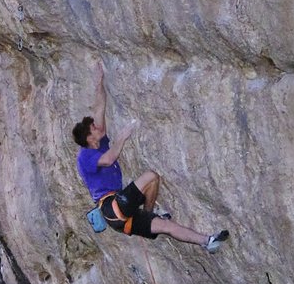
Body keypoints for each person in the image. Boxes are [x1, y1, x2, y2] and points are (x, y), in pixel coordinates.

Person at [72, 68, 230, 250]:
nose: (98, 127)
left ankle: (207, 241)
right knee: (150, 177)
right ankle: (150, 211)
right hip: (111, 207)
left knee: (165, 226)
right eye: (94, 128)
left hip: (121, 214)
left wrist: (98, 82)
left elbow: (100, 107)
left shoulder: (99, 141)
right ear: (90, 138)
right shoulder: (85, 157)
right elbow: (108, 160)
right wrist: (123, 136)